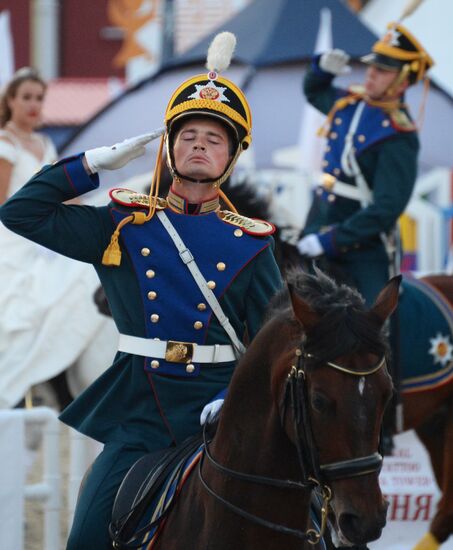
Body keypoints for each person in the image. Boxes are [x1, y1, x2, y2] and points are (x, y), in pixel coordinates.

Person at [0, 33, 283, 548]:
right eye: (189, 134)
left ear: (232, 157)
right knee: (86, 537)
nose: (199, 143)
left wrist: (233, 399)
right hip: (141, 416)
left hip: (221, 414)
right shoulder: (125, 224)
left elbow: (273, 344)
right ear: (171, 148)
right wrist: (91, 165)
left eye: (214, 138)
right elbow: (19, 213)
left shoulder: (251, 243)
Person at [297, 22, 434, 305]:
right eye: (372, 66)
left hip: (360, 250)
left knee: (372, 328)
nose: (370, 73)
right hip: (316, 225)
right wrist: (322, 68)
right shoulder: (350, 104)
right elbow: (313, 91)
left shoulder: (398, 135)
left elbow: (386, 208)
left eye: (382, 70)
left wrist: (331, 241)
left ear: (403, 82)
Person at [0, 67, 104, 408]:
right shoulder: (5, 144)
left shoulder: (44, 143)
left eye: (39, 98)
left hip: (45, 233)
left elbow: (63, 192)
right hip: (14, 236)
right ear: (11, 101)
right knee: (31, 299)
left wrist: (92, 208)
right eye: (26, 97)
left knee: (81, 273)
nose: (33, 104)